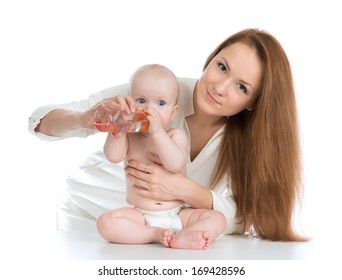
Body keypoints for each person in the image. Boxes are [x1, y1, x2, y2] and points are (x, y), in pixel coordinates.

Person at [28, 28, 306, 242]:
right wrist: (84, 118)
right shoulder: (156, 91)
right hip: (90, 216)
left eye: (241, 87)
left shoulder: (248, 138)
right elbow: (40, 122)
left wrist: (186, 190)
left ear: (255, 102)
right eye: (222, 67)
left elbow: (252, 217)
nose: (220, 87)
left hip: (163, 230)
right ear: (210, 58)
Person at [96, 64, 226, 249]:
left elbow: (174, 164)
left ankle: (186, 235)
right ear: (130, 103)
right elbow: (113, 156)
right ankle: (152, 234)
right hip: (141, 216)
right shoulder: (130, 136)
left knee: (217, 218)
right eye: (141, 101)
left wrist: (157, 132)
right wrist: (116, 132)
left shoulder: (174, 135)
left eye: (161, 103)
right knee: (105, 223)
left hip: (179, 214)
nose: (150, 109)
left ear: (173, 112)